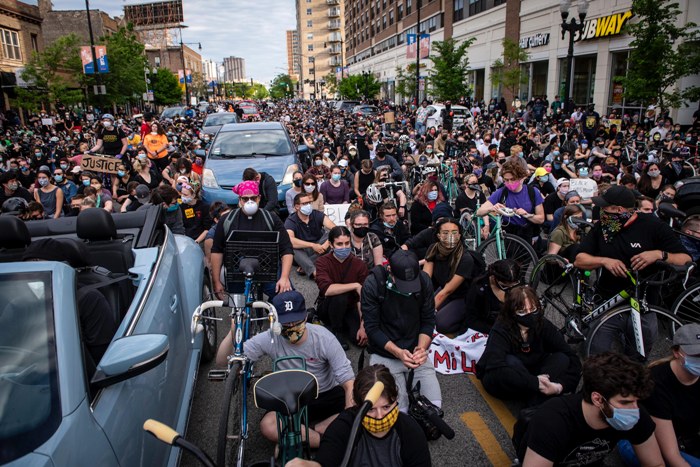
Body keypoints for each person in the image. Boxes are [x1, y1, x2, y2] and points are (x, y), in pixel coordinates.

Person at [222, 291, 355, 450]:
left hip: (325, 392)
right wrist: (232, 333)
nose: (292, 327)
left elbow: (349, 382)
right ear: (276, 322)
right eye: (286, 324)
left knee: (359, 405)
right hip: (290, 398)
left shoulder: (324, 338)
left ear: (305, 317)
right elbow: (226, 360)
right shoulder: (271, 338)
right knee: (268, 426)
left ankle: (299, 436)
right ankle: (320, 440)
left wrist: (349, 413)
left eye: (296, 321)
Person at [574, 185, 691, 355]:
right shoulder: (602, 227)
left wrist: (659, 254)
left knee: (639, 355)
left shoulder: (653, 226)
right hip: (609, 301)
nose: (601, 211)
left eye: (605, 207)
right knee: (596, 351)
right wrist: (604, 261)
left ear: (618, 209)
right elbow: (579, 259)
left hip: (645, 302)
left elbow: (685, 258)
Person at [517, 352, 663, 467]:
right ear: (598, 399)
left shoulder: (633, 412)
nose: (634, 409)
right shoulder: (553, 420)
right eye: (625, 402)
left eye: (637, 401)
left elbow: (654, 463)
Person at [286, 364, 431, 467]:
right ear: (356, 404)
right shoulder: (344, 426)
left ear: (396, 400)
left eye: (386, 407)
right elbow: (324, 462)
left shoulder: (409, 431)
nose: (379, 416)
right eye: (370, 409)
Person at [361, 249, 441, 413]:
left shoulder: (424, 281)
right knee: (398, 411)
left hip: (415, 354)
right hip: (385, 353)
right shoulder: (372, 284)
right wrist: (397, 352)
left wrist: (421, 349)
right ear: (390, 271)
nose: (409, 290)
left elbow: (428, 319)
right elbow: (372, 328)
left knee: (433, 410)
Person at [476, 285, 581, 405]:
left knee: (562, 359)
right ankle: (537, 398)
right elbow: (497, 367)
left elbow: (572, 357)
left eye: (533, 309)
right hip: (506, 379)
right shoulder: (501, 329)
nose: (530, 315)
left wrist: (559, 386)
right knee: (510, 362)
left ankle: (540, 394)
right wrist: (534, 382)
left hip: (533, 373)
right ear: (512, 312)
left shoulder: (543, 325)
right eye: (522, 312)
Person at [22, 238, 118, 364]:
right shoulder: (19, 302)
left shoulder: (88, 299)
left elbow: (102, 358)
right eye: (27, 268)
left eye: (40, 266)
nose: (33, 275)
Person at [618, 324, 700, 466]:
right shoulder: (657, 384)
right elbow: (672, 455)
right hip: (643, 443)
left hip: (685, 438)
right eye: (695, 355)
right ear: (676, 352)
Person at [210, 180, 293, 300]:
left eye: (253, 198)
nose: (249, 201)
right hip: (237, 273)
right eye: (245, 199)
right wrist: (216, 282)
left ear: (259, 198)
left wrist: (284, 278)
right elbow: (217, 250)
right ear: (239, 200)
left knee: (286, 298)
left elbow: (286, 249)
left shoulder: (271, 218)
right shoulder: (226, 221)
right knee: (238, 305)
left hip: (267, 271)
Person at [315, 226, 369, 350]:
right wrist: (355, 285)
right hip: (328, 306)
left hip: (351, 307)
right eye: (339, 244)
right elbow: (327, 290)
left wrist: (363, 325)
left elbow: (363, 298)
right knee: (340, 295)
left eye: (347, 243)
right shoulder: (322, 262)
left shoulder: (359, 264)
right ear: (331, 245)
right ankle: (336, 330)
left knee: (360, 341)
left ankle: (345, 324)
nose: (344, 247)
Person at [424, 218, 480, 335]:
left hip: (462, 296)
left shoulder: (465, 258)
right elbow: (425, 280)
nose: (450, 236)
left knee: (440, 323)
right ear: (438, 235)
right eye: (445, 233)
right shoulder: (433, 249)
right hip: (444, 290)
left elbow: (447, 291)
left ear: (459, 235)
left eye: (454, 233)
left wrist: (426, 310)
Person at [477, 160, 545, 244]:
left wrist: (527, 215)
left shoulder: (533, 192)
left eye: (513, 179)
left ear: (520, 178)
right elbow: (479, 212)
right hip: (509, 232)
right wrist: (492, 208)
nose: (509, 183)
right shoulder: (501, 192)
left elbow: (541, 218)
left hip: (527, 232)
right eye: (506, 180)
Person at [464, 259, 521, 334]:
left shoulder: (516, 284)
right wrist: (498, 331)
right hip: (487, 328)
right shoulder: (478, 289)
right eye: (504, 286)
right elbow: (471, 320)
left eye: (513, 285)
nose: (509, 288)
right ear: (494, 278)